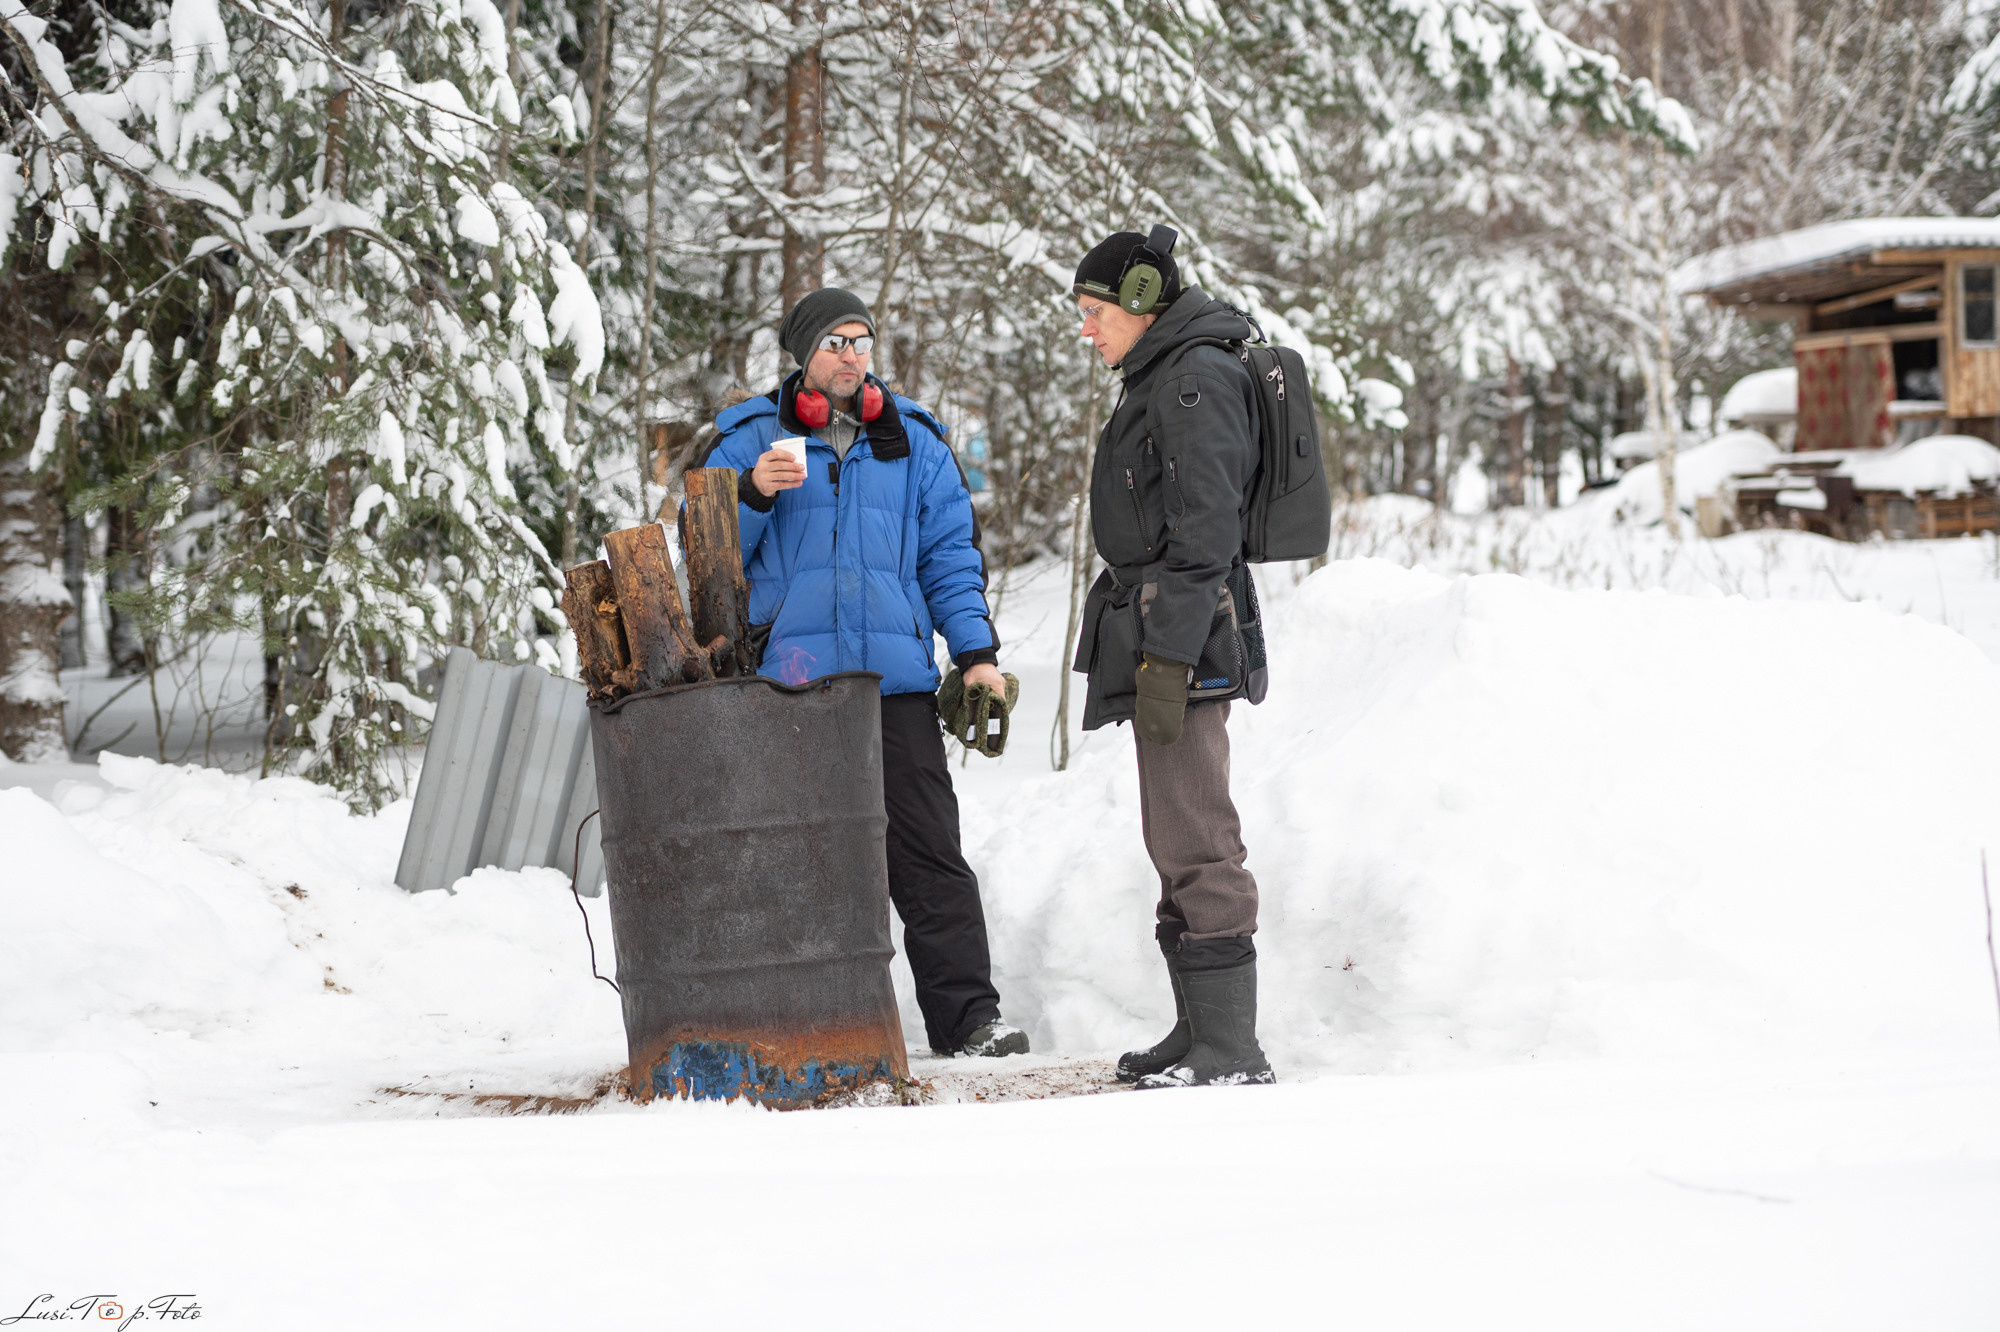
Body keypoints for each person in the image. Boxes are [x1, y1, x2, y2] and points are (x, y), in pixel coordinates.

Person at [699, 287, 1029, 1059]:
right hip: (790, 684)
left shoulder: (914, 440)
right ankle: (806, 1027)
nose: (850, 356)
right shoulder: (749, 438)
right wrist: (749, 497)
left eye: (861, 341)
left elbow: (950, 556)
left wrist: (976, 656)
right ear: (802, 357)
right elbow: (703, 557)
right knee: (797, 861)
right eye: (834, 343)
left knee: (929, 859)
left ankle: (970, 1023)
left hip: (896, 686)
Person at [1069, 228, 1275, 1088]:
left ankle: (1232, 1047)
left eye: (1093, 312)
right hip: (1164, 624)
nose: (1086, 331)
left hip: (1185, 631)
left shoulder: (1191, 380)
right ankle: (1199, 1033)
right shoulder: (1163, 374)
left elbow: (1204, 532)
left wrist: (1170, 654)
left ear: (1143, 297)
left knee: (1197, 831)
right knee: (1172, 830)